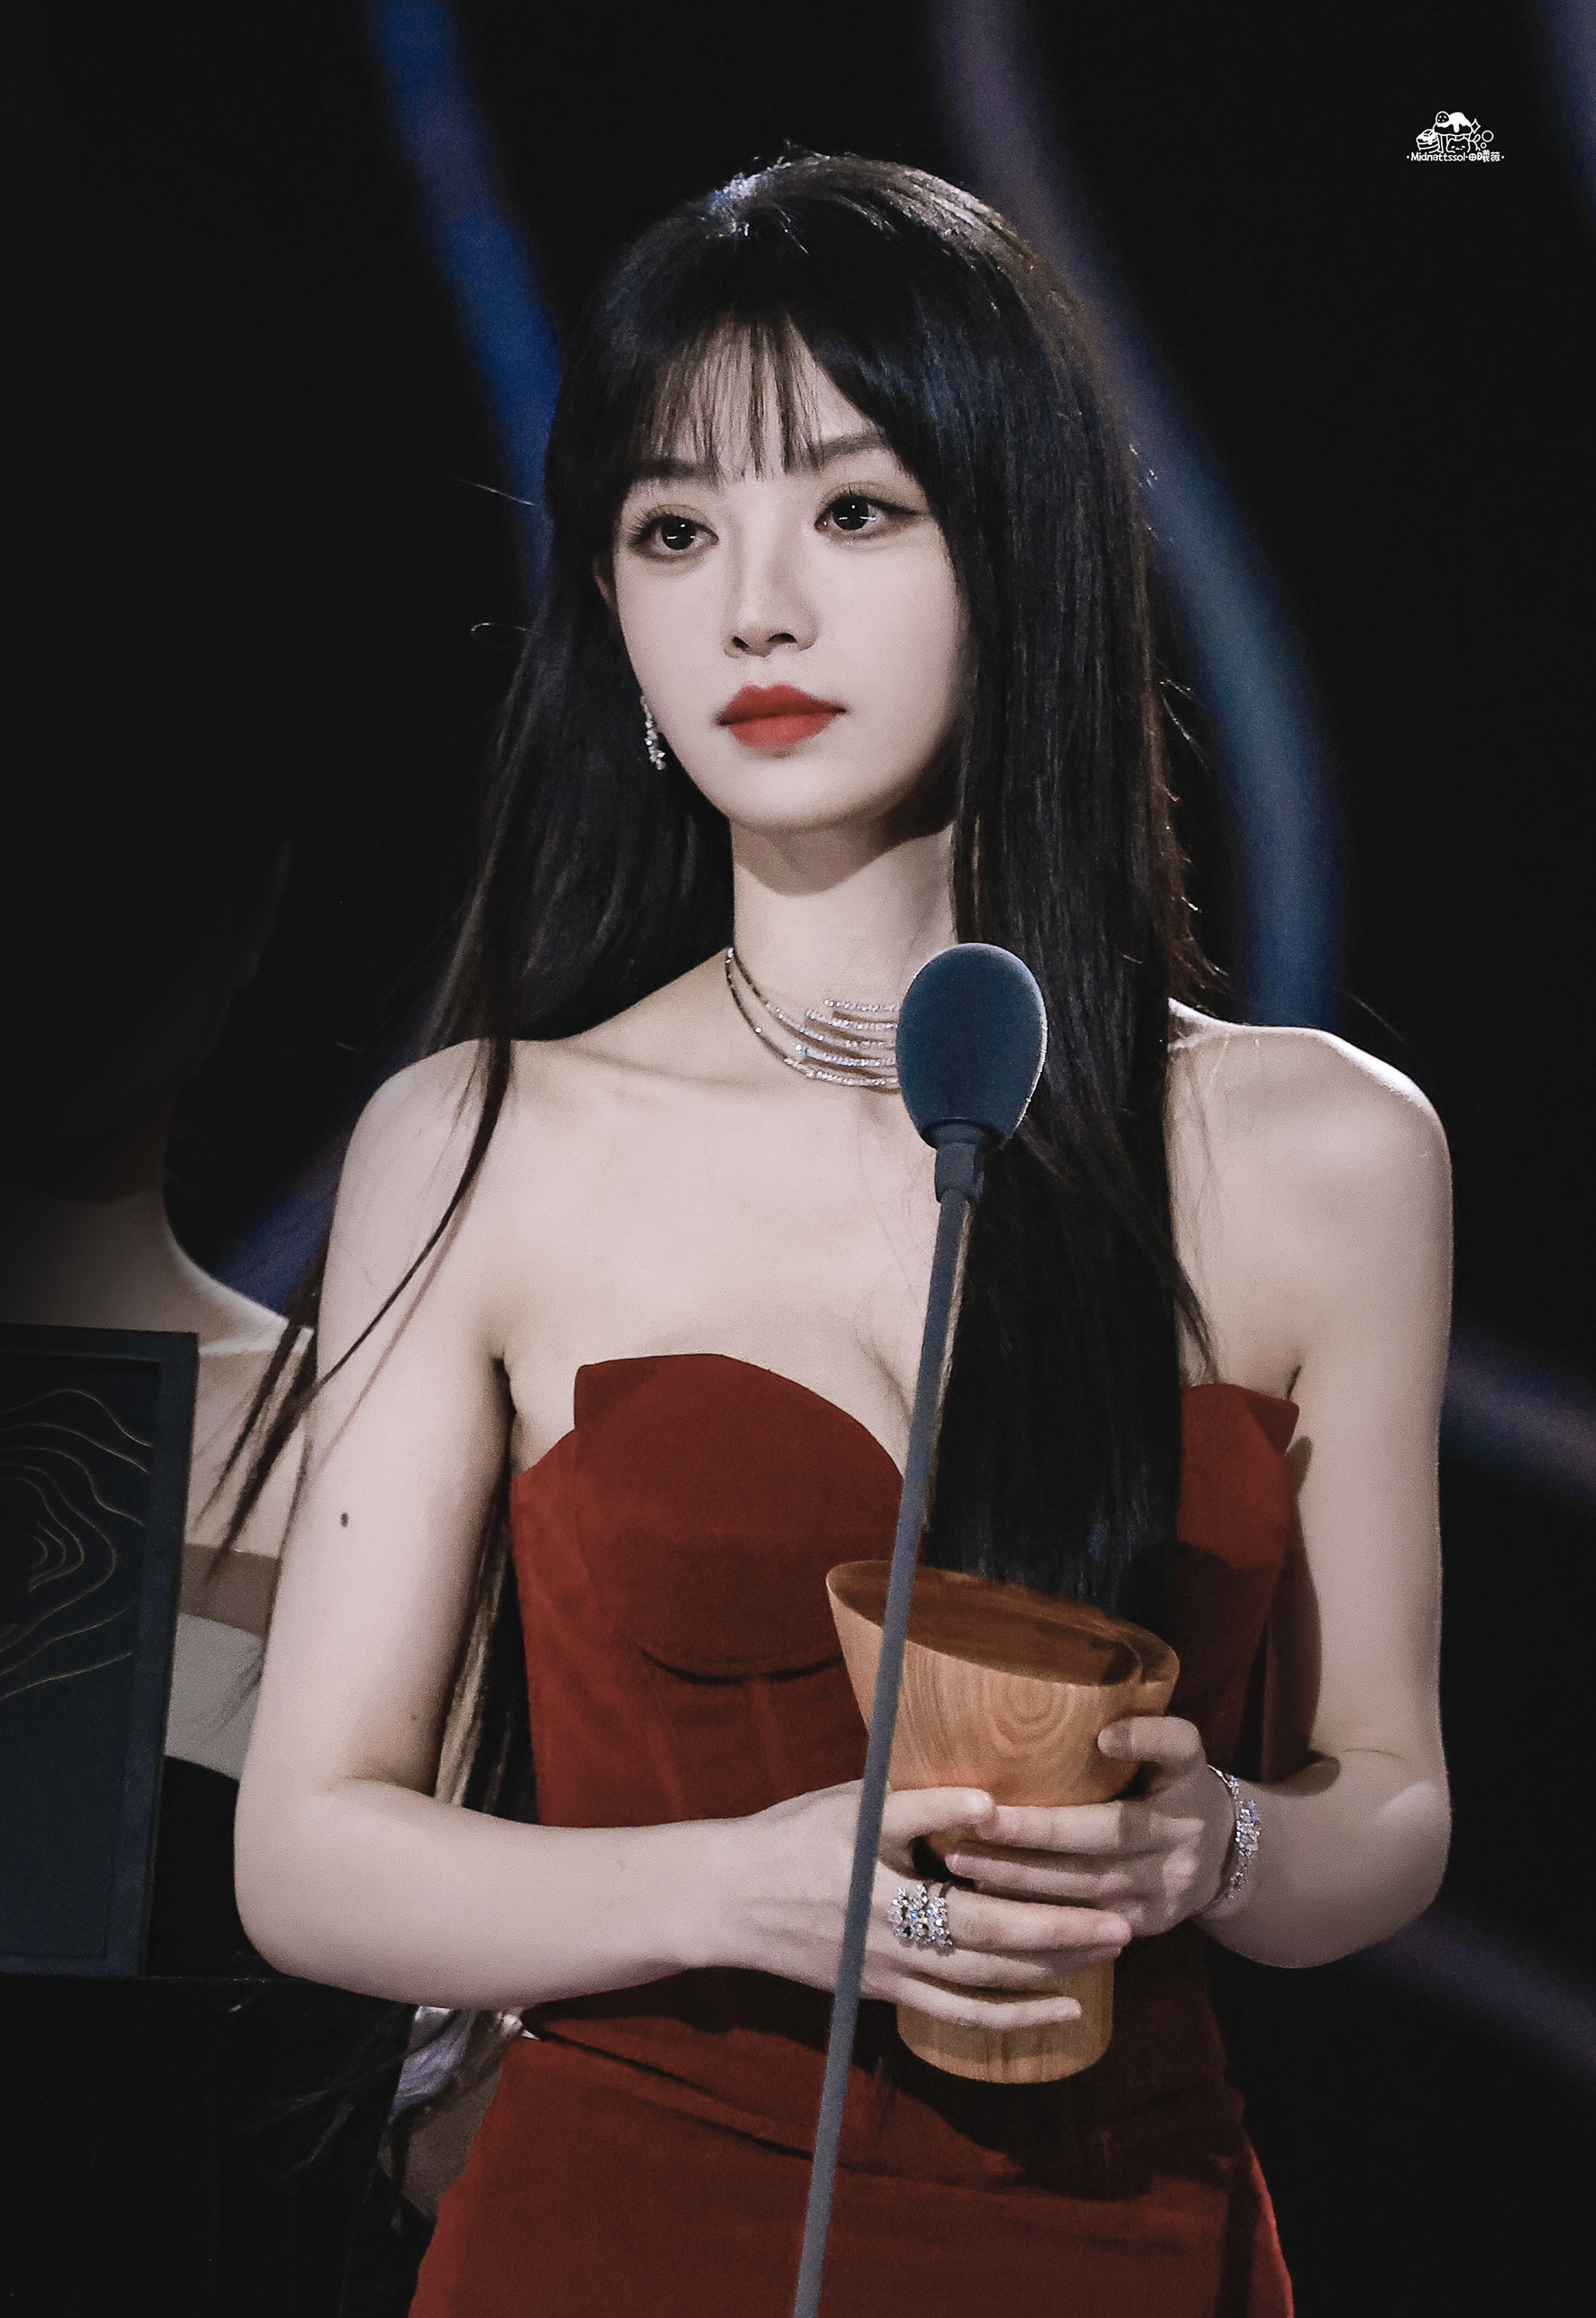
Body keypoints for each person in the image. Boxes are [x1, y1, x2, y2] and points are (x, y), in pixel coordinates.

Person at [234, 156, 1452, 2315]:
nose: (754, 611)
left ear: (1022, 553)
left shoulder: (1326, 1151)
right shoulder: (491, 1134)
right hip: (627, 2234)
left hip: (1126, 2237)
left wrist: (1224, 1847)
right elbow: (311, 1850)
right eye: (672, 531)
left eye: (857, 510)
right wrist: (739, 1887)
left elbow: (1389, 1806)